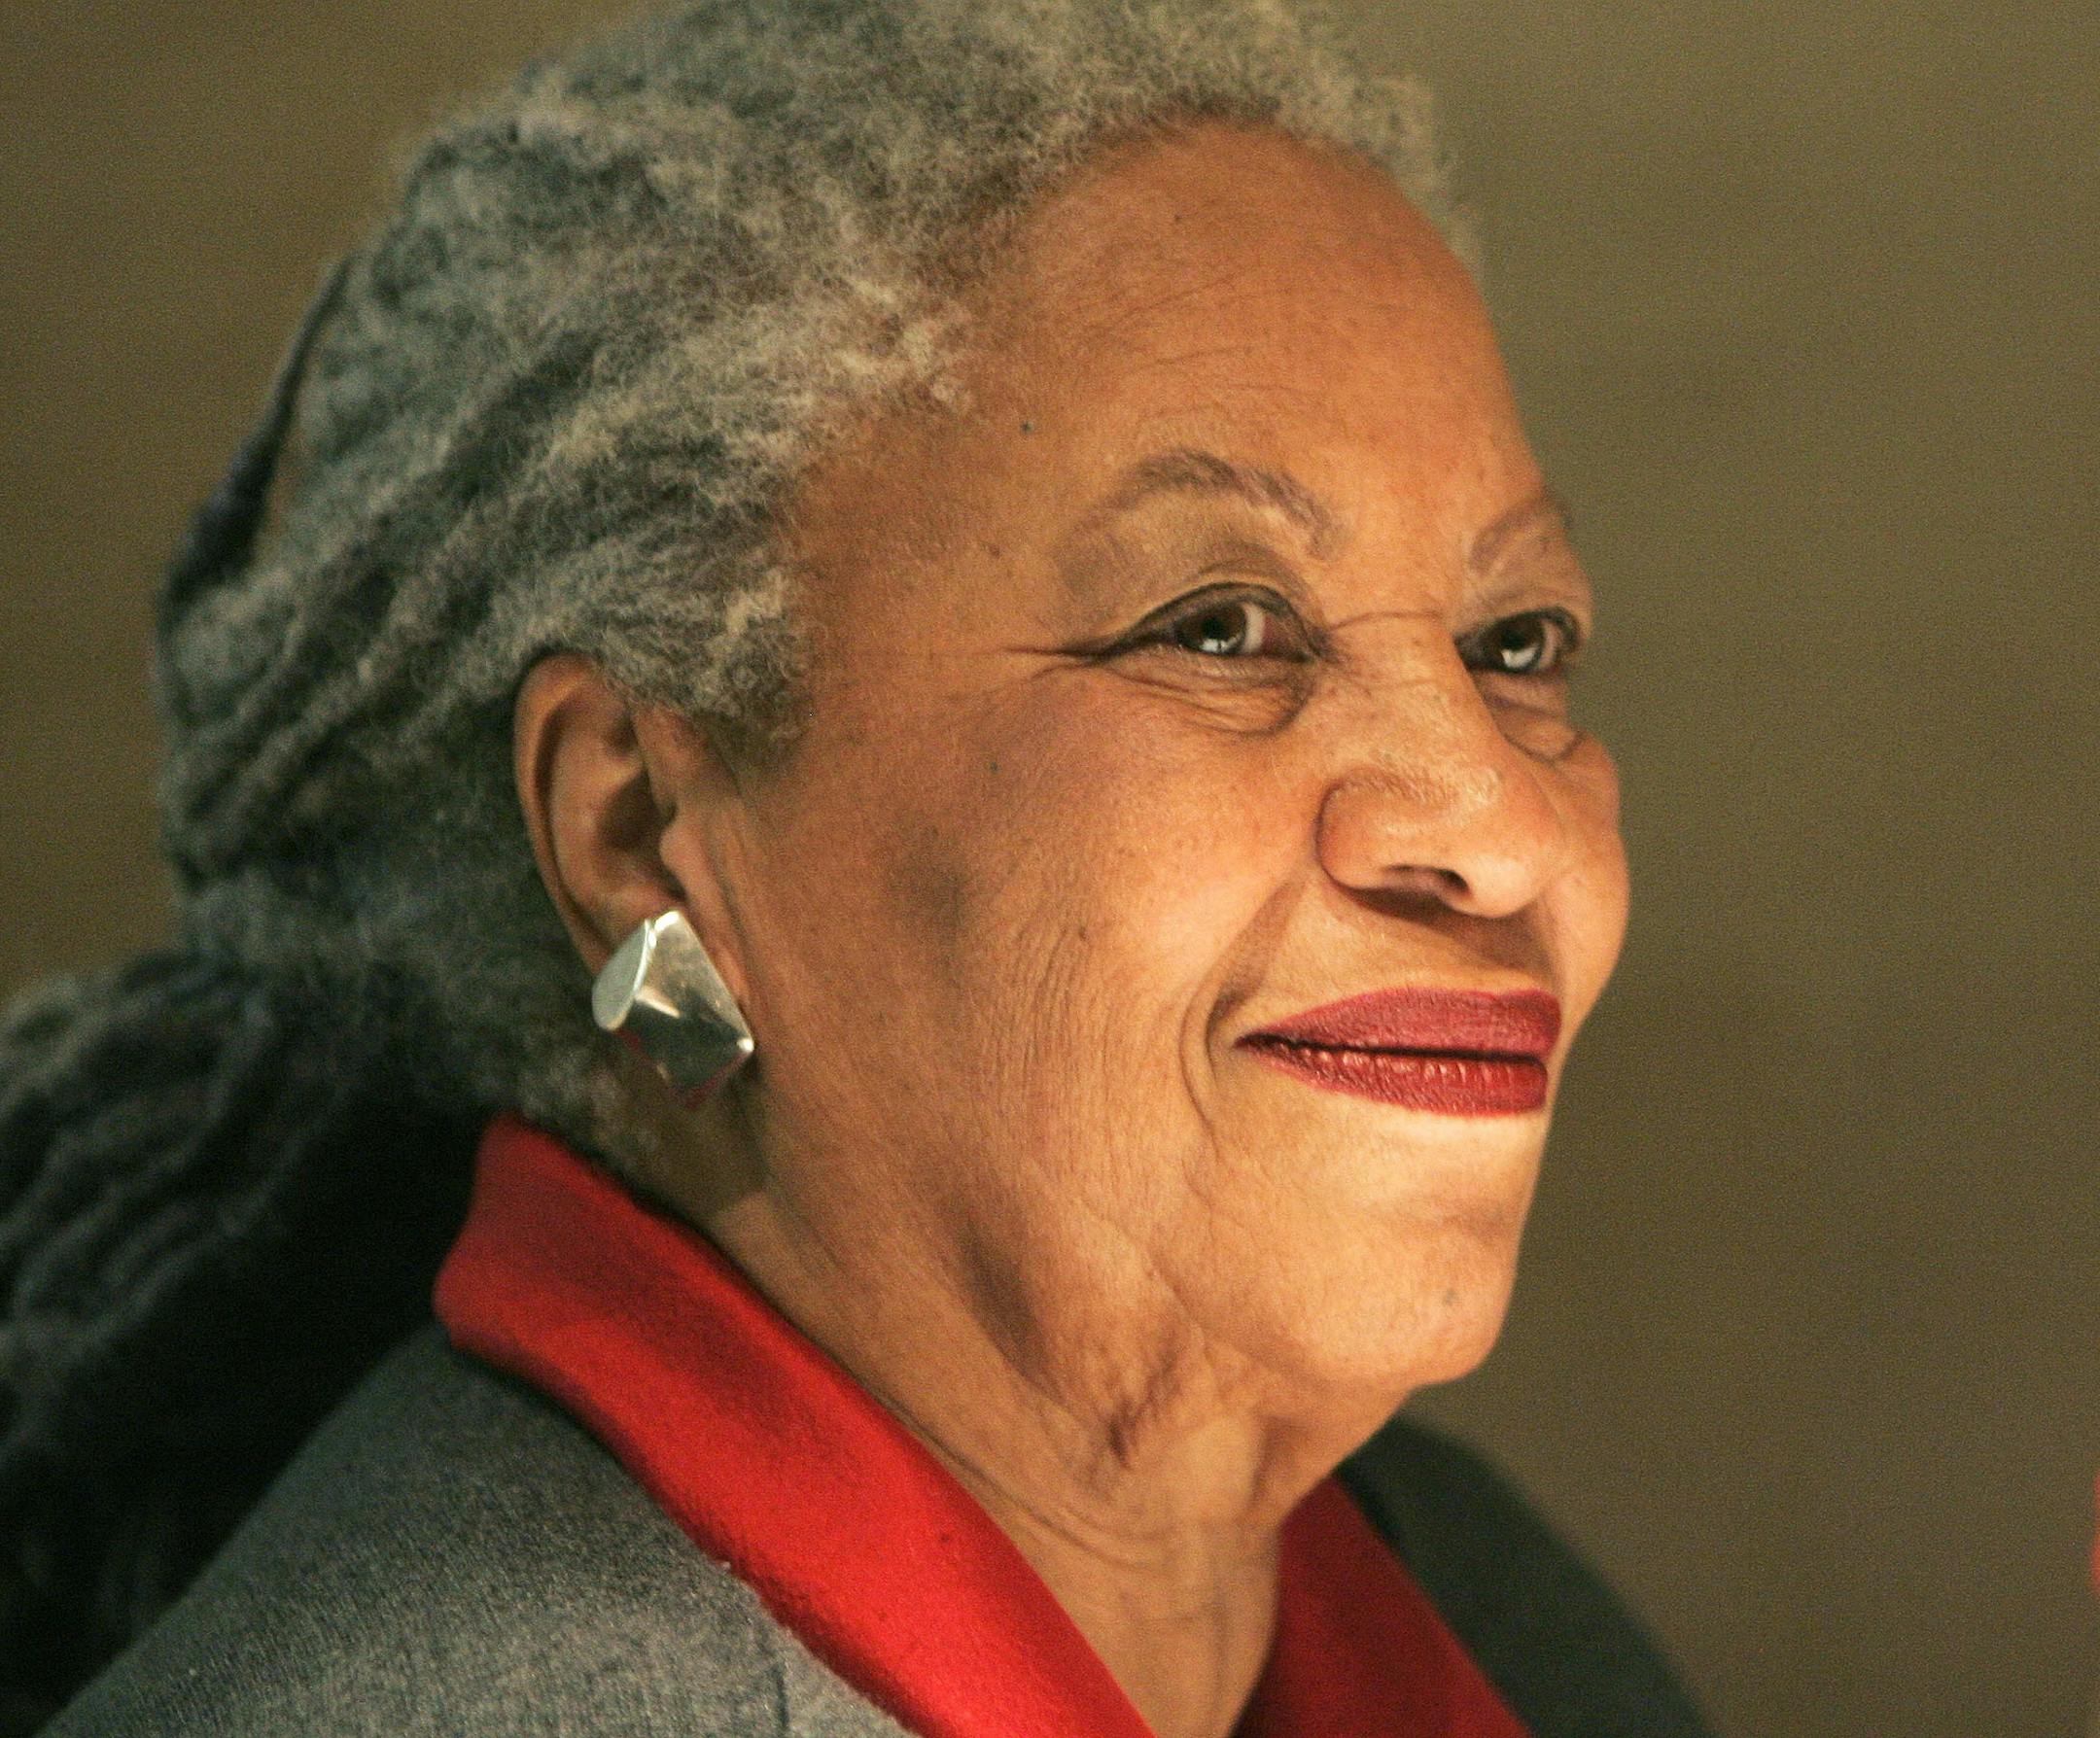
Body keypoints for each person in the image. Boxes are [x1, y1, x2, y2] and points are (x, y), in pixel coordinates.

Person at [7, 2, 1711, 1733]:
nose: (1498, 827)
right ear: (639, 836)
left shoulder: (1507, 1626)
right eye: (1219, 627)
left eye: (1517, 642)